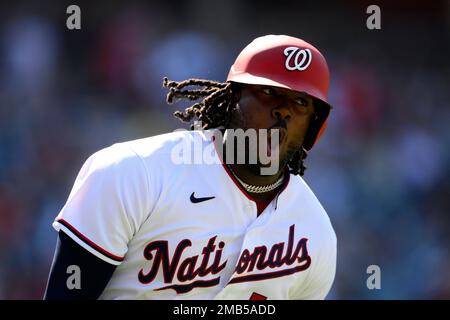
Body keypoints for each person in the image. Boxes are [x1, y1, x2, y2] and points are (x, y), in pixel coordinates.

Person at [44, 34, 336, 300]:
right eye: (269, 92)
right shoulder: (132, 174)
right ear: (233, 95)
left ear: (314, 125)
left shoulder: (316, 232)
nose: (282, 110)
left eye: (300, 101)